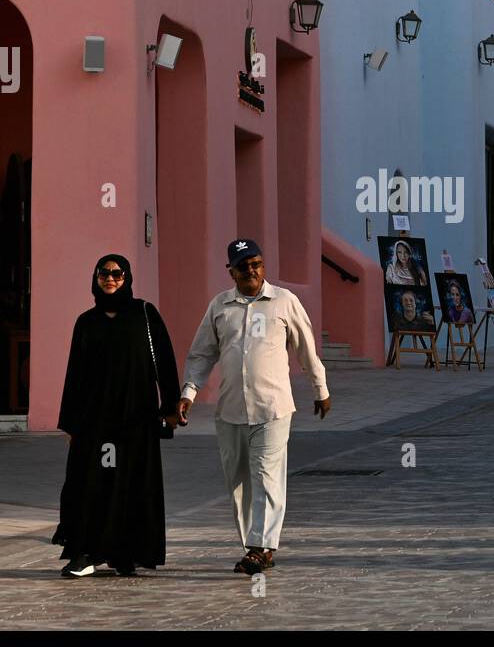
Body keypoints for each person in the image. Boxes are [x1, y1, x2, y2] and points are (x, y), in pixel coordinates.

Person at [172, 239, 332, 576]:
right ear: (230, 270)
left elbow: (306, 348)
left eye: (256, 263)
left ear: (263, 265)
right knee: (239, 481)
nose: (251, 271)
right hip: (230, 410)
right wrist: (188, 392)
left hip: (272, 408)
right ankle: (253, 546)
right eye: (243, 266)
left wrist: (320, 388)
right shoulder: (220, 306)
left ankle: (263, 546)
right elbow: (202, 354)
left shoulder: (284, 302)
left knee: (267, 476)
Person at [54, 254, 180, 577]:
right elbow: (74, 375)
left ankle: (126, 553)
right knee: (91, 482)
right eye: (104, 273)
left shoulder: (144, 315)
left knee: (131, 482)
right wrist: (69, 423)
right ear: (95, 278)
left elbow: (164, 362)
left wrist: (170, 407)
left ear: (127, 278)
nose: (110, 278)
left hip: (135, 419)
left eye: (118, 273)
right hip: (94, 421)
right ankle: (86, 553)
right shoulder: (86, 322)